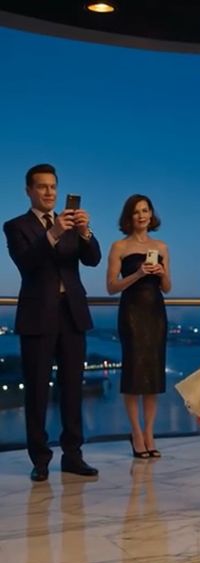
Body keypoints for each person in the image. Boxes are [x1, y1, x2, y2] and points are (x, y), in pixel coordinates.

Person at [3, 163, 101, 481]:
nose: (49, 192)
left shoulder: (71, 225)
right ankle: (40, 459)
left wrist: (85, 232)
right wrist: (54, 233)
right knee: (36, 391)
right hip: (37, 316)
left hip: (72, 314)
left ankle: (73, 455)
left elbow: (93, 259)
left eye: (53, 187)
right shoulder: (15, 226)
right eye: (42, 186)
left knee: (72, 388)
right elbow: (27, 262)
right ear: (29, 191)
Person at [106, 194, 171, 458]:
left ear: (151, 214)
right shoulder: (119, 247)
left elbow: (167, 288)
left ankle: (149, 433)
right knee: (134, 375)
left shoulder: (162, 247)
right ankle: (135, 433)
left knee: (153, 375)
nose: (141, 215)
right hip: (132, 313)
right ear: (128, 217)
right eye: (136, 212)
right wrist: (138, 273)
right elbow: (111, 287)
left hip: (156, 313)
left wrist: (161, 274)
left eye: (145, 210)